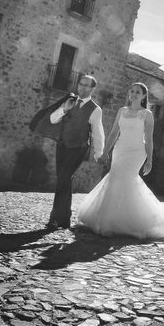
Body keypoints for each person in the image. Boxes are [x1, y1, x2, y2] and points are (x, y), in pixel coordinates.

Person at [75, 82, 164, 240]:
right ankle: (110, 220)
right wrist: (105, 151)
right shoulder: (121, 111)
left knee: (126, 179)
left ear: (143, 96)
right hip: (120, 149)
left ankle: (129, 222)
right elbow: (113, 133)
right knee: (114, 180)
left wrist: (149, 160)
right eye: (132, 91)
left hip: (137, 152)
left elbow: (148, 139)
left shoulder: (147, 114)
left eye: (137, 92)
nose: (134, 94)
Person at [45, 74, 105, 231]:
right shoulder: (69, 101)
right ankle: (65, 219)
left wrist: (98, 153)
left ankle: (55, 218)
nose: (82, 87)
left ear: (93, 89)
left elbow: (98, 133)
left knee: (63, 178)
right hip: (62, 145)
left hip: (79, 148)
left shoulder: (95, 109)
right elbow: (52, 119)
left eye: (87, 85)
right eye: (81, 84)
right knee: (64, 179)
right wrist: (65, 109)